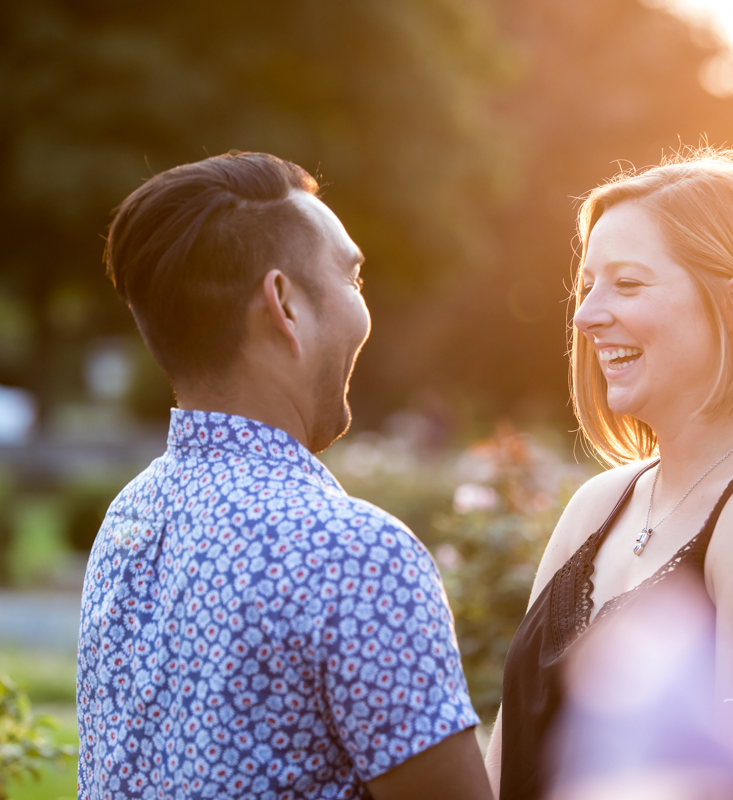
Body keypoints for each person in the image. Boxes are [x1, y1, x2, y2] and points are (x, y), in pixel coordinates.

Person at [76, 151, 492, 800]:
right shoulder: (355, 555)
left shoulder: (130, 520)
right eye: (354, 280)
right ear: (285, 305)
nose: (363, 309)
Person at [485, 148, 733, 800]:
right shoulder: (596, 504)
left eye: (628, 284)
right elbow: (502, 771)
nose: (586, 316)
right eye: (587, 287)